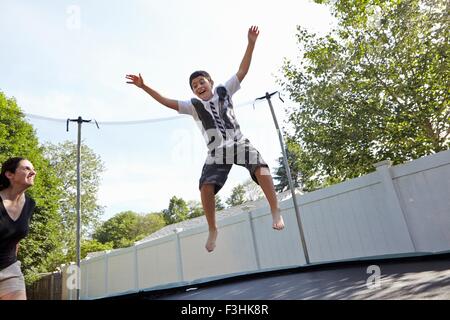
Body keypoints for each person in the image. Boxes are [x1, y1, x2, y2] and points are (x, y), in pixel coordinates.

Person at [126, 26, 284, 252]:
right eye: (194, 85)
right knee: (205, 187)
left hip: (239, 143)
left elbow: (243, 70)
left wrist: (251, 43)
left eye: (202, 82)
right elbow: (165, 101)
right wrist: (144, 87)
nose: (199, 86)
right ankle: (212, 229)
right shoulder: (192, 105)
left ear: (210, 82)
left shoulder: (224, 90)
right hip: (216, 152)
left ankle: (275, 209)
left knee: (262, 168)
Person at [0, 157, 36, 300]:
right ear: (10, 175)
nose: (33, 172)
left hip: (10, 269)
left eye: (33, 169)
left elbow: (16, 238)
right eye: (27, 168)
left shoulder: (30, 204)